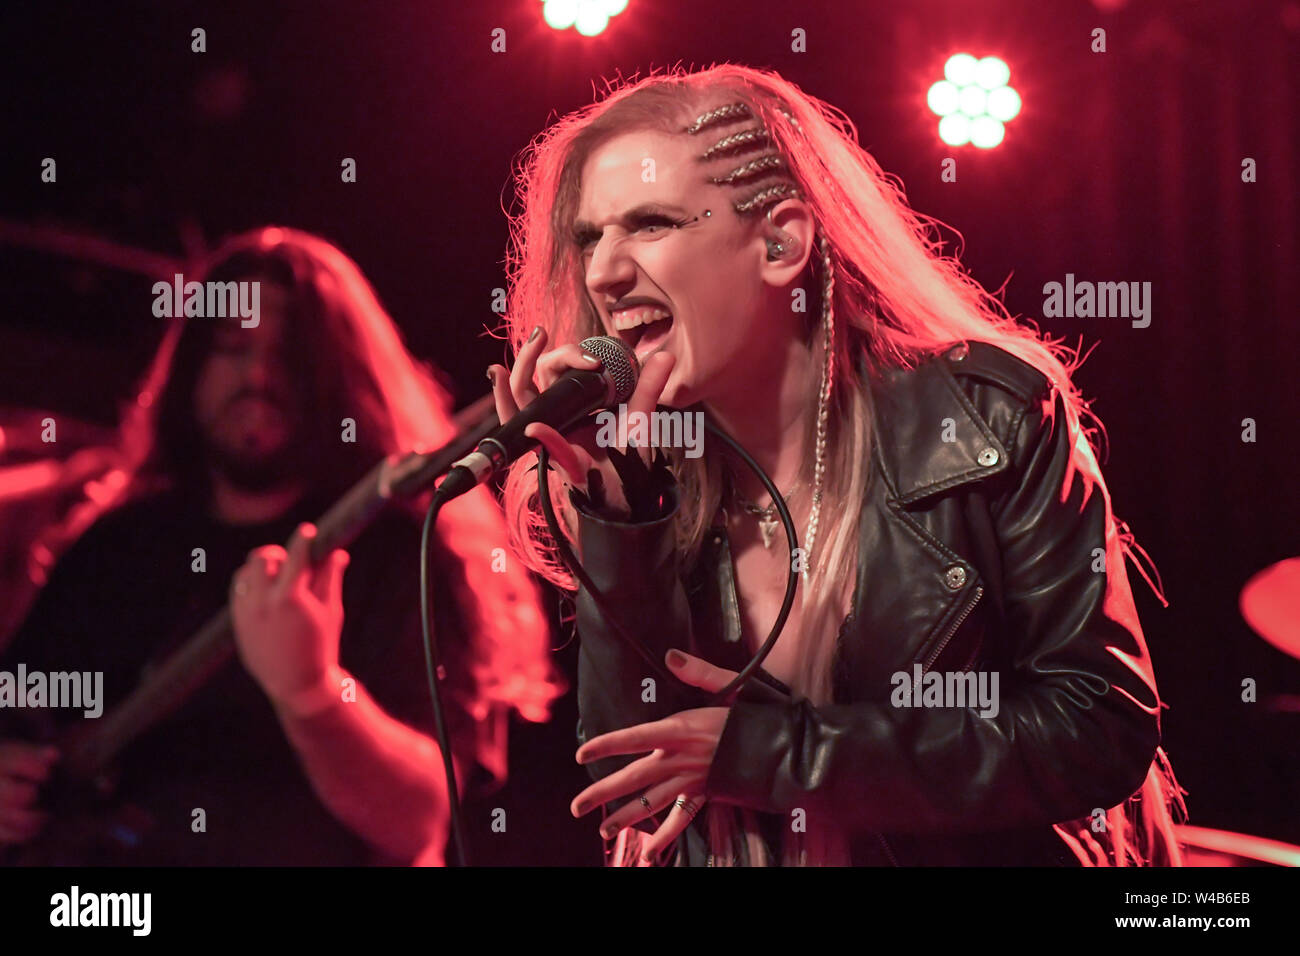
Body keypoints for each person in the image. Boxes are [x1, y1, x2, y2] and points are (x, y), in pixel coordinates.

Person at [487, 64, 1187, 866]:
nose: (603, 271)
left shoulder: (982, 419)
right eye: (588, 236)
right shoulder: (652, 474)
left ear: (781, 242)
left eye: (649, 224)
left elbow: (1094, 730)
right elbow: (624, 775)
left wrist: (774, 752)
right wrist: (621, 518)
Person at [0, 227, 561, 865]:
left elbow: (419, 824)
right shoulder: (116, 546)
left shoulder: (406, 552)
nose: (259, 376)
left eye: (289, 355)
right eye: (233, 346)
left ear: (335, 376)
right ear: (191, 366)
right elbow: (19, 701)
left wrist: (312, 691)